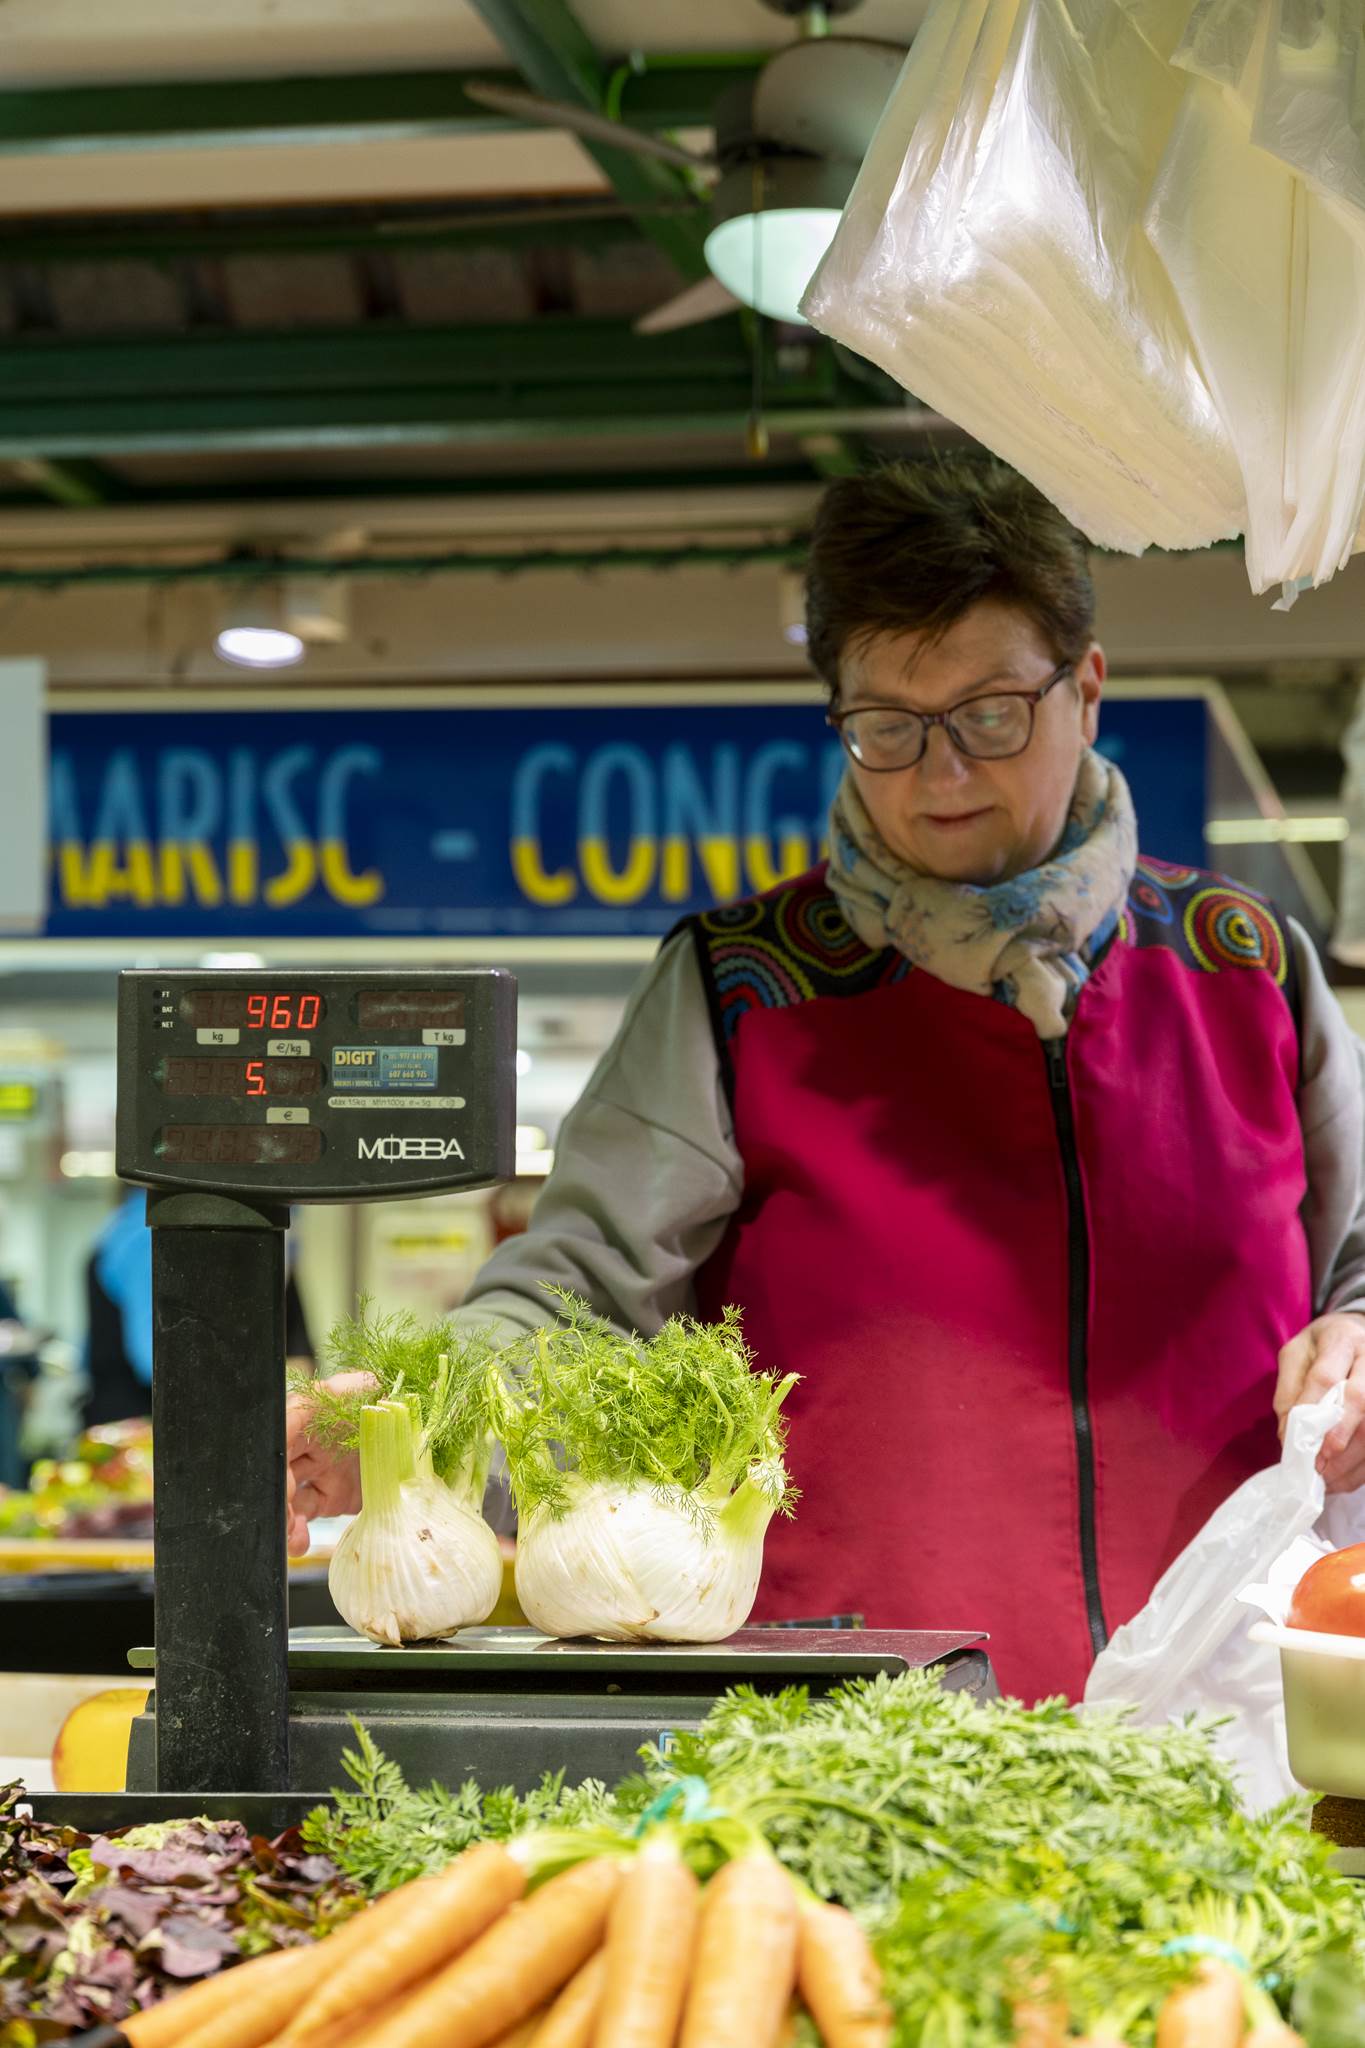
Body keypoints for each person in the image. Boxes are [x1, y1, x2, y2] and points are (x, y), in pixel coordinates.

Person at [287, 455, 1365, 1702]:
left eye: (991, 715)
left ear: (1087, 688)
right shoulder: (742, 989)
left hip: (1234, 1707)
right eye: (888, 728)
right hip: (856, 1727)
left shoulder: (1245, 963)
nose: (940, 775)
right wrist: (421, 1410)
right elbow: (574, 1290)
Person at [86, 1186, 313, 1427]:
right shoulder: (153, 1228)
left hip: (199, 1416)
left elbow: (295, 1346)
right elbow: (162, 1360)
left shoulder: (256, 1232)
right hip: (146, 1422)